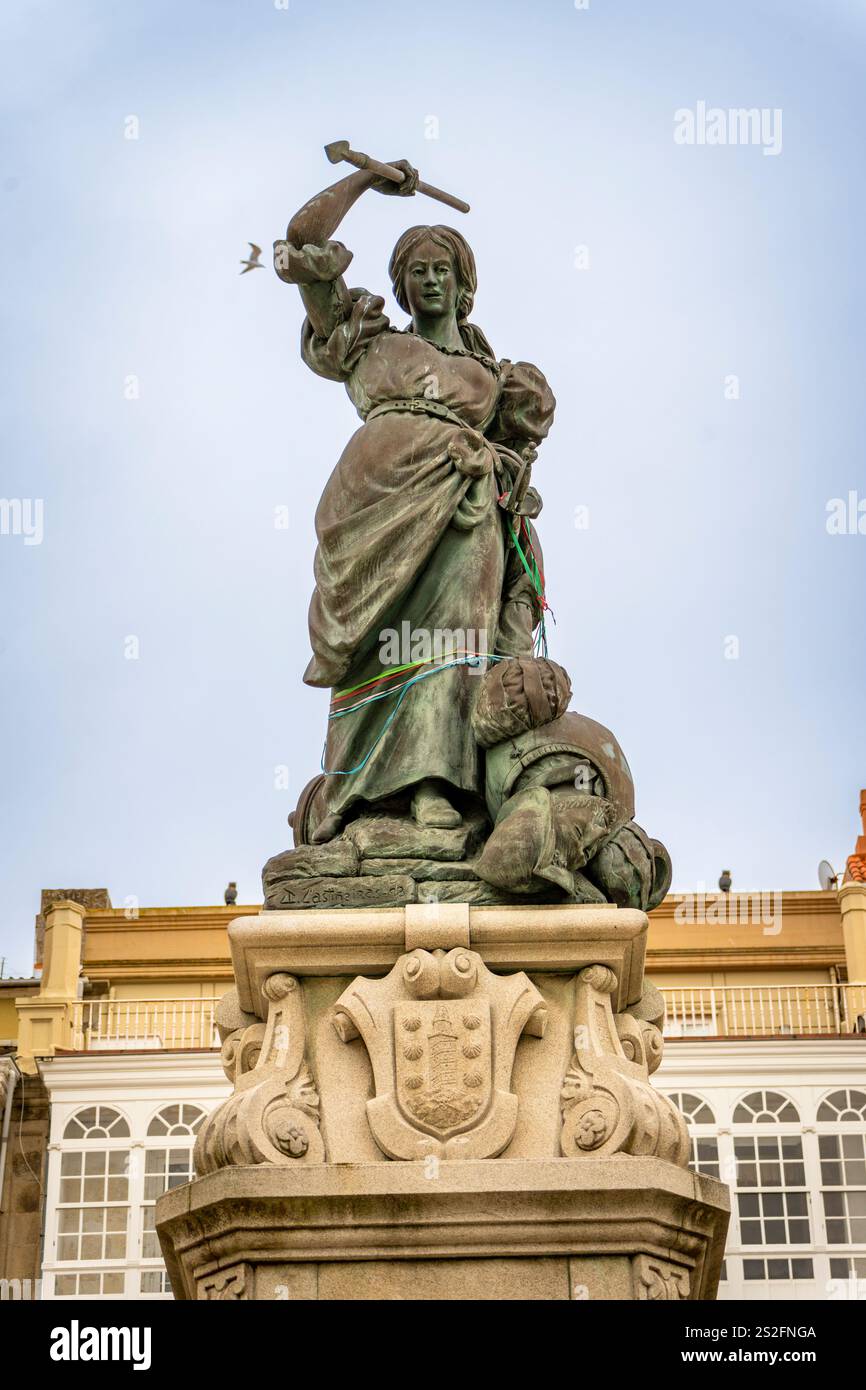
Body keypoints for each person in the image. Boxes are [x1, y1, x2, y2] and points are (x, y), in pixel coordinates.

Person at [274, 161, 555, 843]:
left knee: (458, 631)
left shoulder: (495, 377)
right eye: (416, 271)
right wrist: (367, 181)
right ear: (399, 285)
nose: (428, 281)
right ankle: (358, 788)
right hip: (373, 499)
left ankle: (436, 784)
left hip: (463, 500)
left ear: (463, 285)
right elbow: (304, 241)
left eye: (441, 270)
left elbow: (521, 460)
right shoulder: (370, 338)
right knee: (378, 642)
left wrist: (505, 475)